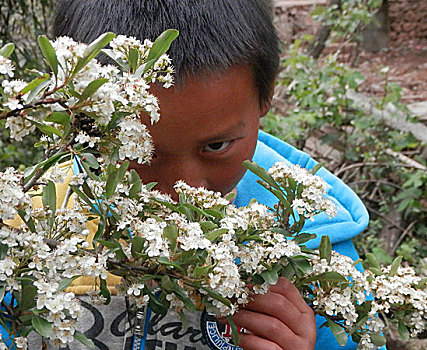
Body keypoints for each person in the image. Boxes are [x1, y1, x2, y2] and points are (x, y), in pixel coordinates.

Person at [34, 1, 375, 349]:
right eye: (136, 151)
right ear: (73, 106)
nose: (181, 191)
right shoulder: (27, 226)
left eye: (216, 146)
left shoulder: (316, 255)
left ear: (266, 94)